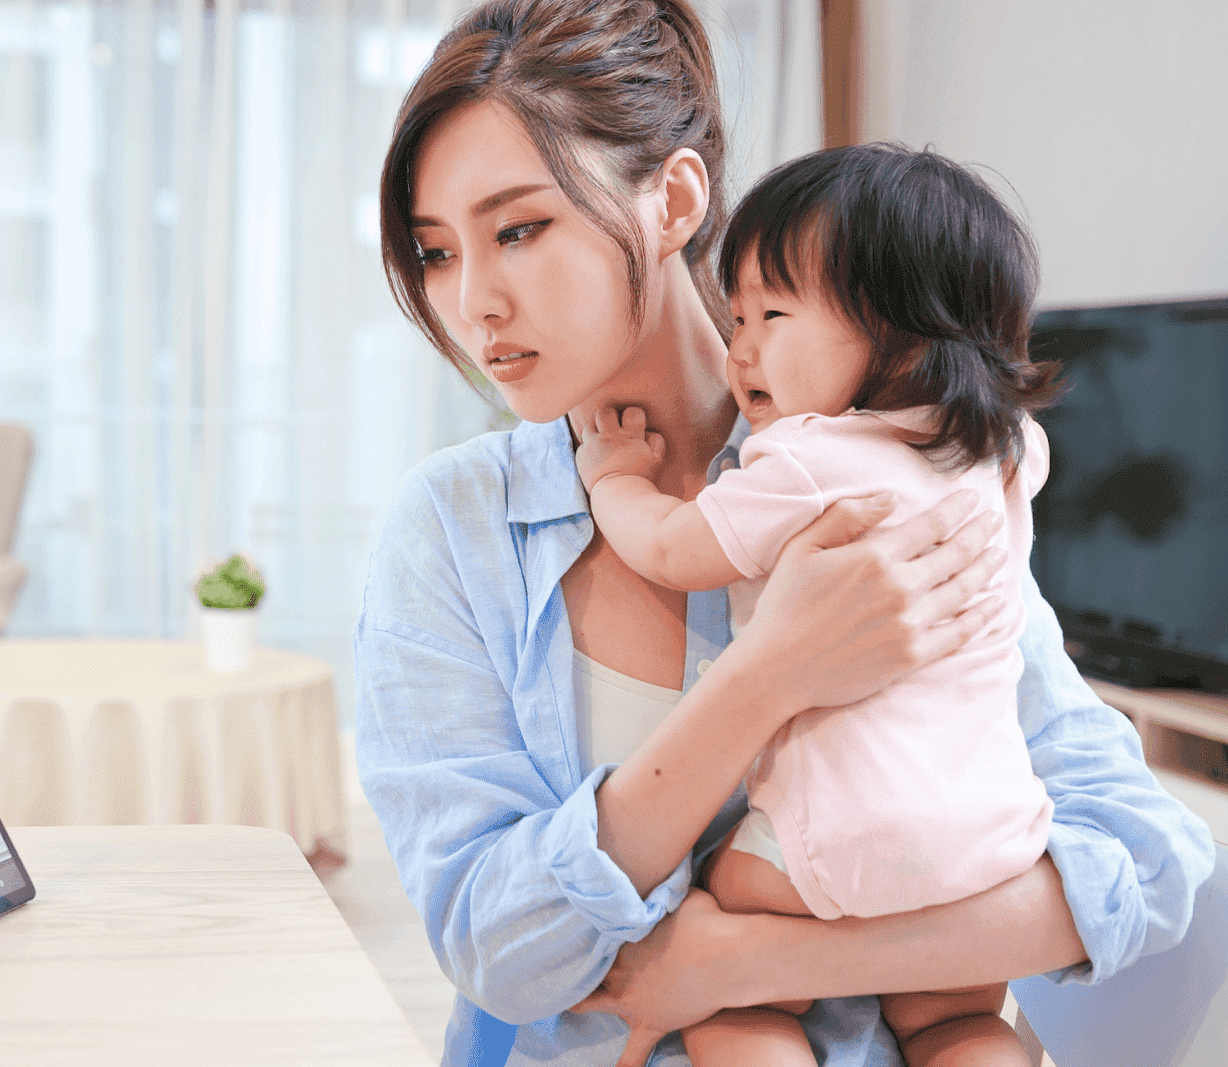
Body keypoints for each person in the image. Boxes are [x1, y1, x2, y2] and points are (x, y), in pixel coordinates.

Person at [353, 2, 1215, 1066]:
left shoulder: (883, 479)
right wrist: (767, 672)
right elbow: (496, 946)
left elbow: (1152, 856)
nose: (473, 302)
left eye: (519, 228)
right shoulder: (453, 530)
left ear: (671, 199)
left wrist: (745, 966)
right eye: (436, 252)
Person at [574, 142, 1063, 1067]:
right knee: (960, 1025)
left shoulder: (807, 457)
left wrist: (613, 482)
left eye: (771, 314)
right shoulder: (1008, 456)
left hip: (835, 837)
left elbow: (678, 550)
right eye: (737, 314)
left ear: (903, 337)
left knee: (728, 983)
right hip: (988, 834)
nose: (740, 345)